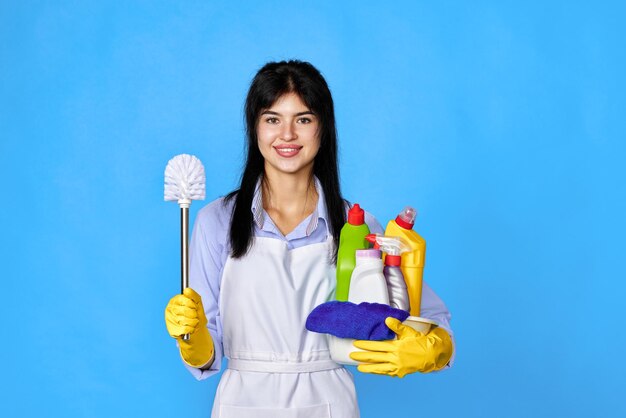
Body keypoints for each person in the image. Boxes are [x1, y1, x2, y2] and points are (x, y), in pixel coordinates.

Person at [164, 60, 455, 418]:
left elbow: (433, 319)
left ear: (323, 128)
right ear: (254, 128)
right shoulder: (217, 221)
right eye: (272, 119)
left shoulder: (358, 228)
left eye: (303, 119)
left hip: (329, 402)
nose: (286, 134)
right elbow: (209, 351)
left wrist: (433, 349)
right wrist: (190, 338)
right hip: (242, 403)